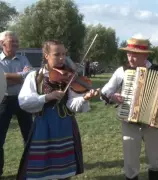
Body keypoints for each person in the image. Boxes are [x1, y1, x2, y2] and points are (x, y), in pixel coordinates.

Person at [16, 40, 100, 180]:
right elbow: (24, 101)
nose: (62, 58)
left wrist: (85, 97)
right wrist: (46, 97)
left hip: (65, 126)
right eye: (57, 54)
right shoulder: (35, 76)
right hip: (43, 126)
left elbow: (72, 104)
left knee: (64, 169)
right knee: (41, 169)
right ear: (46, 55)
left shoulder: (70, 76)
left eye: (64, 54)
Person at [100, 34, 158, 180]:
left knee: (156, 158)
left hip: (153, 121)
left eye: (135, 55)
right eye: (128, 54)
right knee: (130, 161)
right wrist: (112, 97)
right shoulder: (122, 71)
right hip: (129, 121)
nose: (130, 58)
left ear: (145, 56)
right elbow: (104, 92)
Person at [0, 30, 33, 177]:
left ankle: (30, 168)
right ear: (2, 43)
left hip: (22, 99)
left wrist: (9, 77)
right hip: (3, 100)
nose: (16, 44)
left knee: (29, 136)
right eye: (12, 42)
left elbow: (30, 76)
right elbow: (2, 78)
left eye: (16, 42)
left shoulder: (23, 59)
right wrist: (21, 76)